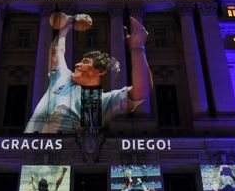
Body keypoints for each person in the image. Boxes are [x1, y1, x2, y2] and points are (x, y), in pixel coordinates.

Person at [24, 15, 152, 133]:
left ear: (101, 71)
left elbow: (141, 91)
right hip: (31, 146)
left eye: (85, 62)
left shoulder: (98, 100)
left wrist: (137, 47)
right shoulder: (64, 77)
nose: (76, 65)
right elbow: (56, 52)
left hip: (66, 152)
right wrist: (66, 27)